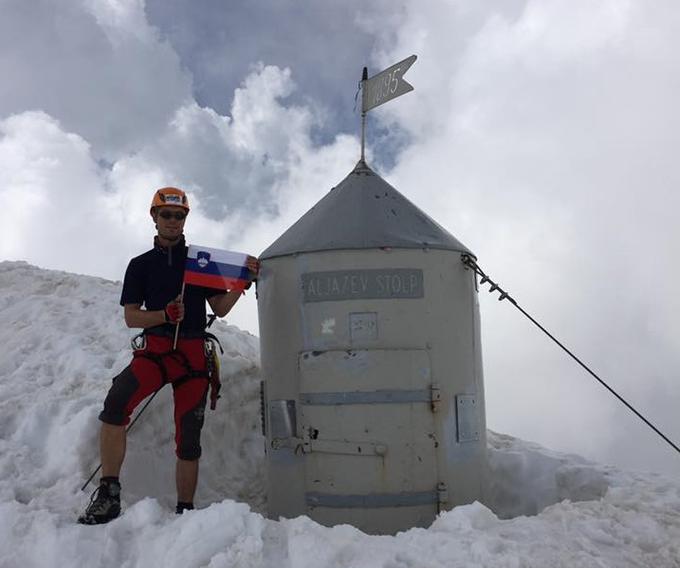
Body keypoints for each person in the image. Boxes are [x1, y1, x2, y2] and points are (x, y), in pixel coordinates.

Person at [78, 186, 259, 525]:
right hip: (157, 352)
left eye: (179, 215)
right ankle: (109, 493)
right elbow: (132, 317)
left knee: (189, 440)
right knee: (115, 407)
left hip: (192, 357)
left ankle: (185, 512)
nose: (173, 221)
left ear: (185, 218)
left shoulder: (200, 263)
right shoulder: (140, 266)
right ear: (154, 217)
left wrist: (242, 280)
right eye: (167, 215)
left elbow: (219, 307)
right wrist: (164, 315)